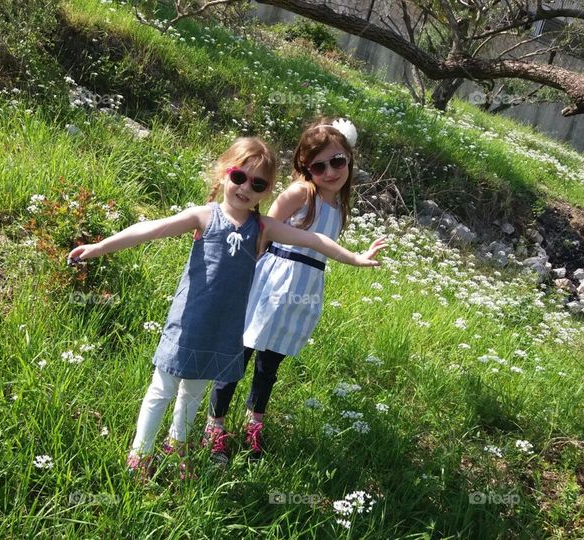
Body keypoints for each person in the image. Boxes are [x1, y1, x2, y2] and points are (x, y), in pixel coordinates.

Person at [66, 136, 386, 478]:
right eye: (239, 177)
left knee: (193, 393)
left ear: (267, 191)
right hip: (188, 322)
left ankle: (177, 448)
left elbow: (315, 240)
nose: (246, 188)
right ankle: (140, 455)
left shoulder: (262, 227)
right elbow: (151, 230)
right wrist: (100, 246)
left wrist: (354, 257)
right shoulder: (204, 216)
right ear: (224, 175)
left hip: (224, 329)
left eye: (258, 184)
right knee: (162, 390)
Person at [204, 118, 361, 464]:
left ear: (349, 159)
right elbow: (263, 231)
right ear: (306, 169)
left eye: (337, 161)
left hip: (304, 287)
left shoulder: (340, 207)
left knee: (269, 363)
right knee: (239, 353)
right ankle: (214, 426)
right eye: (319, 166)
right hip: (271, 282)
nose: (330, 171)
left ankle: (253, 423)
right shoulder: (301, 193)